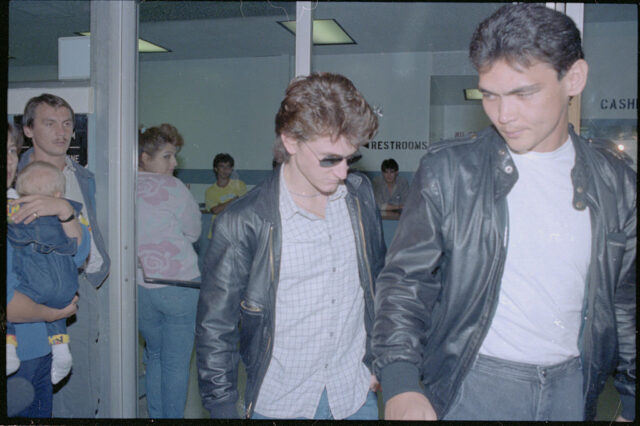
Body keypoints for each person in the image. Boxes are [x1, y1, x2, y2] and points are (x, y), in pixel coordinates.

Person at [373, 4, 635, 422]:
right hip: (472, 383)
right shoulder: (448, 171)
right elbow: (406, 283)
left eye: (523, 93)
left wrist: (633, 399)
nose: (503, 115)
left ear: (574, 79)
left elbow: (625, 302)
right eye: (490, 95)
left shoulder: (617, 183)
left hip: (575, 386)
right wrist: (401, 381)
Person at [196, 72, 386, 420]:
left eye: (351, 159)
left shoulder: (359, 198)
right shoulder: (243, 221)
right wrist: (222, 407)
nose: (344, 172)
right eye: (330, 159)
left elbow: (377, 285)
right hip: (282, 403)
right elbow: (216, 329)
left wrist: (379, 362)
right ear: (291, 141)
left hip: (355, 396)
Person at [18, 93, 111, 417]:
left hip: (80, 285)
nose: (62, 132)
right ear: (28, 129)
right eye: (50, 123)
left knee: (79, 382)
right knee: (32, 384)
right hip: (26, 292)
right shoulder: (16, 178)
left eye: (67, 124)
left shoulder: (82, 176)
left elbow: (91, 233)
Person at [6, 122, 87, 417]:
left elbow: (80, 253)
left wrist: (65, 212)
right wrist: (54, 314)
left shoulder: (21, 204)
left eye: (11, 151)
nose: (9, 160)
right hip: (20, 354)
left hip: (41, 349)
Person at [136, 123, 202, 418]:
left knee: (155, 356)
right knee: (175, 363)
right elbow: (194, 232)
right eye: (167, 156)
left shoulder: (122, 186)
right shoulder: (174, 188)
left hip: (140, 288)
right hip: (180, 286)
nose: (174, 163)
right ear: (144, 157)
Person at [204, 153, 247, 239]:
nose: (225, 170)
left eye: (228, 167)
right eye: (222, 166)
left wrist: (221, 205)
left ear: (231, 169)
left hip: (237, 233)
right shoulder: (210, 191)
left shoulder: (240, 185)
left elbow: (243, 206)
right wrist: (234, 200)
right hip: (218, 234)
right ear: (215, 169)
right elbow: (215, 210)